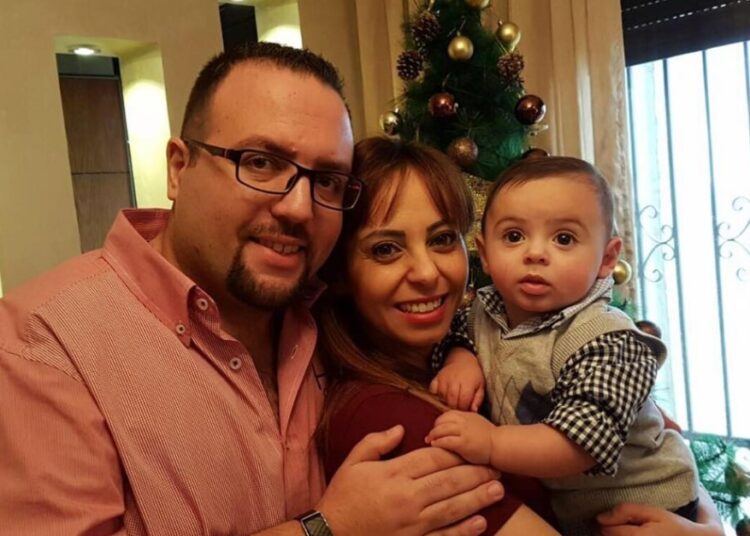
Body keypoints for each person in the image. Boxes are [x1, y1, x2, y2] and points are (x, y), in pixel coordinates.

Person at [0, 43, 506, 536]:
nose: (298, 208)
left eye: (327, 180)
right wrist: (330, 529)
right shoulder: (43, 345)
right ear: (178, 168)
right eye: (261, 162)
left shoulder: (327, 315)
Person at [426, 156, 700, 535]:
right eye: (514, 236)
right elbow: (454, 333)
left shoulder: (610, 340)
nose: (535, 253)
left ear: (606, 259)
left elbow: (582, 442)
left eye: (564, 239)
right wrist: (460, 358)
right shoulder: (482, 313)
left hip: (652, 505)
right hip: (573, 514)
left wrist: (491, 443)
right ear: (485, 254)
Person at [315, 137, 560, 535]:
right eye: (386, 249)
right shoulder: (386, 421)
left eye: (442, 239)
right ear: (339, 272)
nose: (427, 273)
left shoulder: (493, 351)